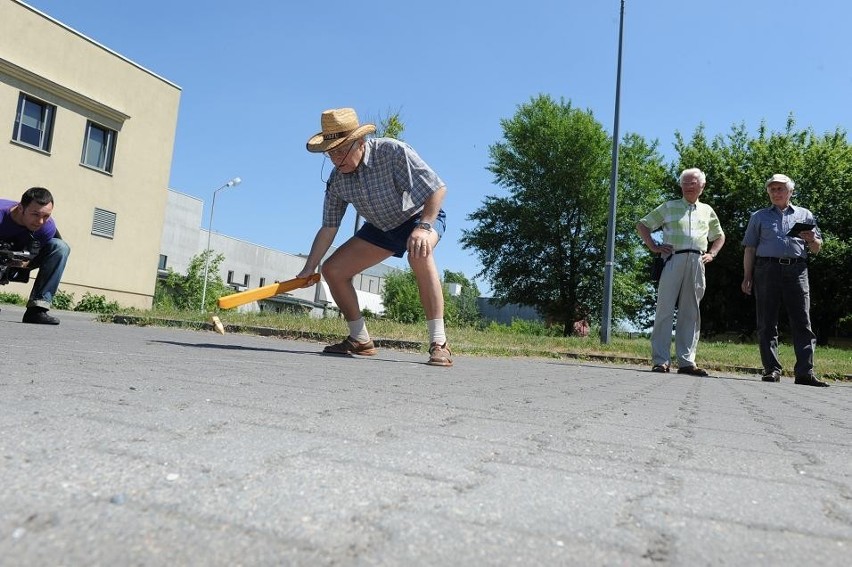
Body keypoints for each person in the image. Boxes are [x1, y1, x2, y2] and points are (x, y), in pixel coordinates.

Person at [297, 108, 452, 367]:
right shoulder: (337, 180)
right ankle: (360, 340)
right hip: (381, 228)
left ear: (360, 142)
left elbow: (437, 188)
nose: (336, 159)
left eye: (341, 150)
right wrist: (309, 268)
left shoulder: (392, 152)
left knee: (420, 253)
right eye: (330, 153)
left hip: (418, 217)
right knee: (332, 270)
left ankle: (439, 343)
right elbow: (328, 227)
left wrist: (424, 226)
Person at [741, 174, 827, 387]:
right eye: (772, 190)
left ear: (790, 192)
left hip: (797, 270)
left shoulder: (804, 214)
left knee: (802, 321)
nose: (776, 193)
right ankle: (771, 369)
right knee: (767, 321)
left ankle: (805, 373)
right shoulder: (759, 216)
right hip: (766, 268)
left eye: (780, 189)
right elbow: (750, 248)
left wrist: (812, 239)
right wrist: (747, 276)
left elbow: (817, 248)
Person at [637, 168, 725, 376]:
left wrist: (712, 253)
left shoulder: (707, 210)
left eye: (693, 182)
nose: (688, 186)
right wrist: (654, 246)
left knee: (691, 312)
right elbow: (643, 225)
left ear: (702, 186)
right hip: (673, 258)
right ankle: (661, 360)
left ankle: (687, 362)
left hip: (697, 260)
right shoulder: (669, 206)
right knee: (664, 309)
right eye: (685, 182)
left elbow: (719, 235)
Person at [0, 187, 71, 324]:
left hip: (20, 258)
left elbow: (48, 254)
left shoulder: (47, 227)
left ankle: (37, 310)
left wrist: (24, 263)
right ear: (21, 208)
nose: (40, 222)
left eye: (46, 216)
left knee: (60, 247)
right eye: (35, 214)